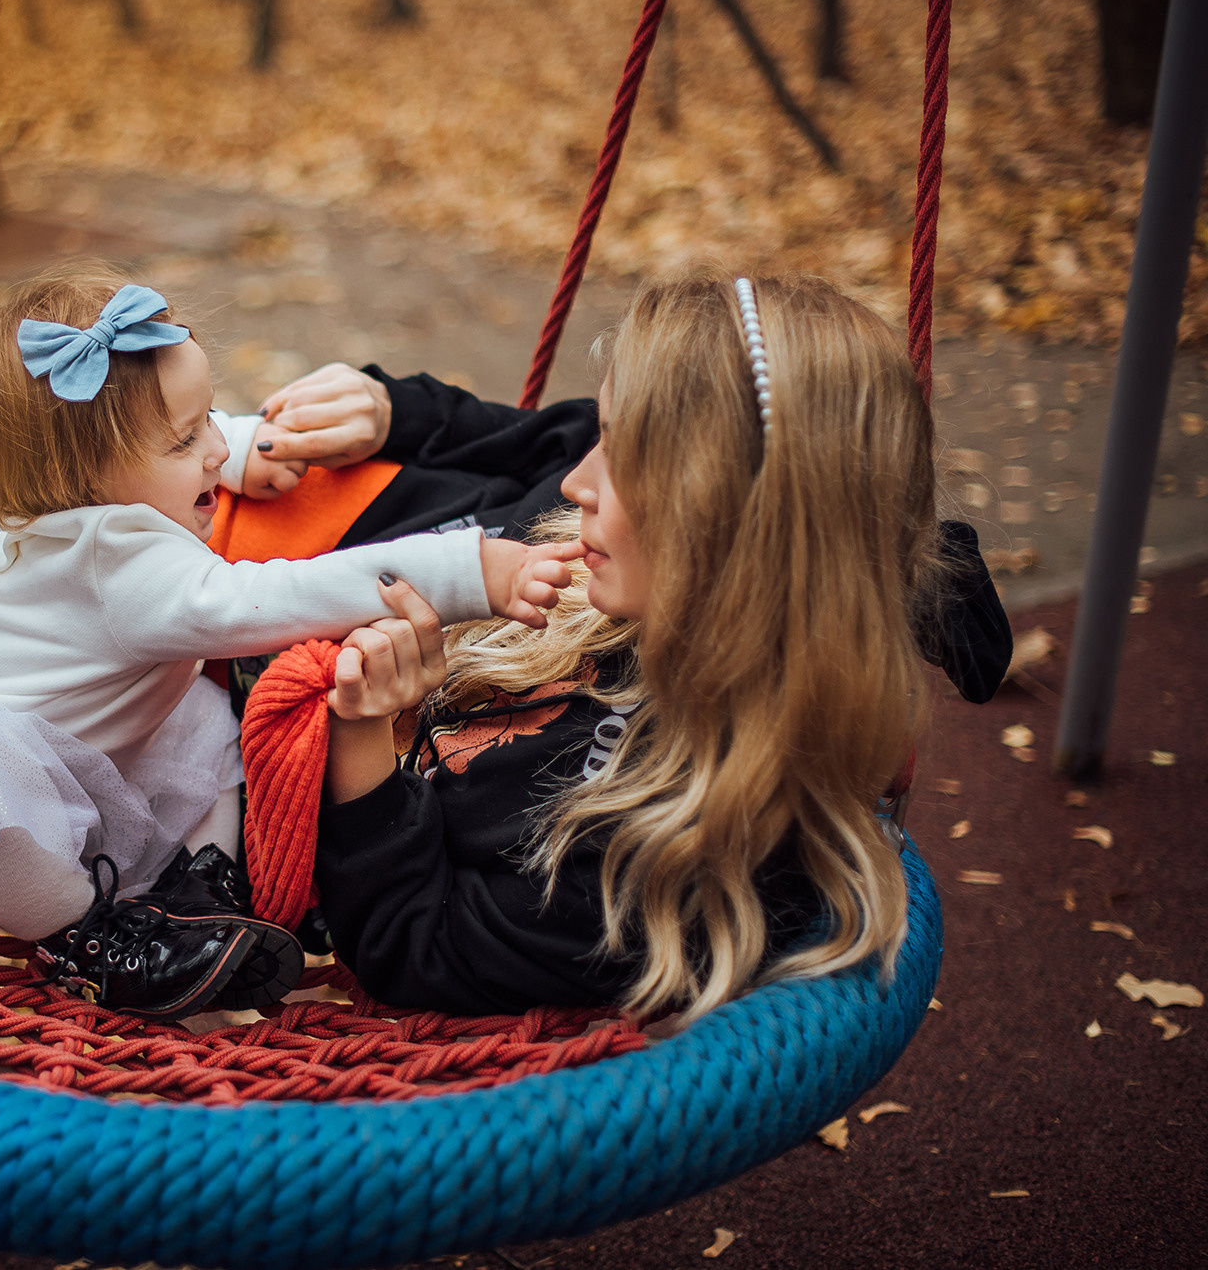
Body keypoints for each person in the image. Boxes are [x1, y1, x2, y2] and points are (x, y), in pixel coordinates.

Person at [0, 265, 578, 1021]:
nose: (212, 445)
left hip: (62, 771)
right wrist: (467, 570)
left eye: (210, 418)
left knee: (202, 716)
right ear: (92, 475)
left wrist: (241, 449)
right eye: (188, 443)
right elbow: (284, 594)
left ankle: (200, 894)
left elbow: (169, 438)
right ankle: (91, 939)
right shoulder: (124, 566)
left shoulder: (74, 504)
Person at [312, 271, 987, 1024]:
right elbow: (548, 437)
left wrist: (361, 736)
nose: (576, 481)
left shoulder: (660, 853)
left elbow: (417, 947)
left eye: (628, 456)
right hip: (292, 514)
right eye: (606, 436)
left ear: (736, 524)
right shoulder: (619, 553)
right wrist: (399, 411)